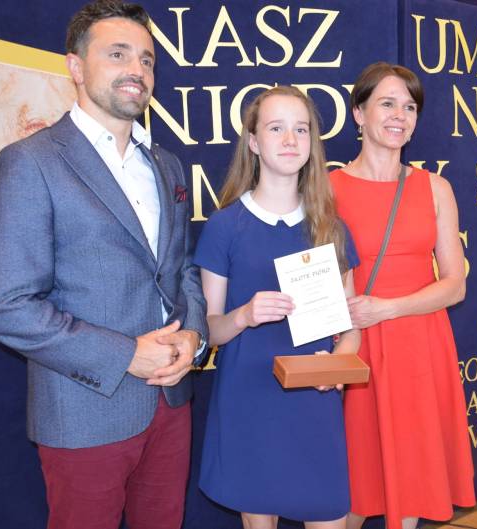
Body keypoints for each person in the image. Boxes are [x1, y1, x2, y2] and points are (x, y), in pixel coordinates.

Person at [0, 2, 207, 528]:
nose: (136, 70)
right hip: (84, 414)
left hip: (171, 406)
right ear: (76, 67)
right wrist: (126, 355)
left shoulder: (167, 164)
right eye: (117, 54)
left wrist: (194, 337)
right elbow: (6, 305)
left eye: (146, 59)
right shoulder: (30, 162)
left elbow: (182, 270)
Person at [194, 86, 360, 529]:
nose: (290, 140)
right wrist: (244, 315)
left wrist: (337, 367)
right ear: (253, 142)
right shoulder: (225, 226)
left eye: (301, 129)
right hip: (249, 401)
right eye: (276, 128)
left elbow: (351, 329)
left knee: (330, 514)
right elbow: (209, 330)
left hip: (314, 401)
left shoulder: (331, 228)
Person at [329, 62, 476, 529]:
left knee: (412, 473)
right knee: (353, 479)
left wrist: (389, 308)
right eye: (387, 104)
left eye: (409, 107)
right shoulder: (327, 189)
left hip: (419, 345)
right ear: (359, 113)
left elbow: (455, 283)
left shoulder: (435, 188)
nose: (399, 116)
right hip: (355, 345)